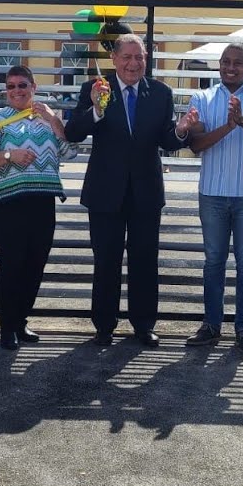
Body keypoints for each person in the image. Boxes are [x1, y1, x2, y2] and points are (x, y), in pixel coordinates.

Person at [65, 34, 196, 347]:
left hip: (145, 192)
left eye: (139, 57)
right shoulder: (94, 88)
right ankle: (104, 327)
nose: (133, 63)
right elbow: (74, 132)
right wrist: (96, 109)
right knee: (106, 261)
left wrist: (180, 130)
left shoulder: (161, 93)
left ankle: (143, 325)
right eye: (127, 57)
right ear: (115, 59)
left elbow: (167, 139)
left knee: (144, 261)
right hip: (105, 192)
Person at [183, 43, 243, 356]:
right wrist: (228, 124)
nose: (230, 67)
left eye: (238, 63)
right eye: (225, 62)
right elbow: (196, 144)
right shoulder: (203, 97)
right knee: (213, 262)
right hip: (212, 192)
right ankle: (211, 325)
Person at [0, 66, 77, 350]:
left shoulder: (47, 118)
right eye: (11, 87)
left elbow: (70, 151)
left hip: (43, 199)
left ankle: (21, 321)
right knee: (12, 263)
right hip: (8, 202)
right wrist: (9, 155)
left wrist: (55, 120)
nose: (17, 91)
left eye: (22, 85)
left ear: (34, 86)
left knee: (36, 262)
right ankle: (7, 326)